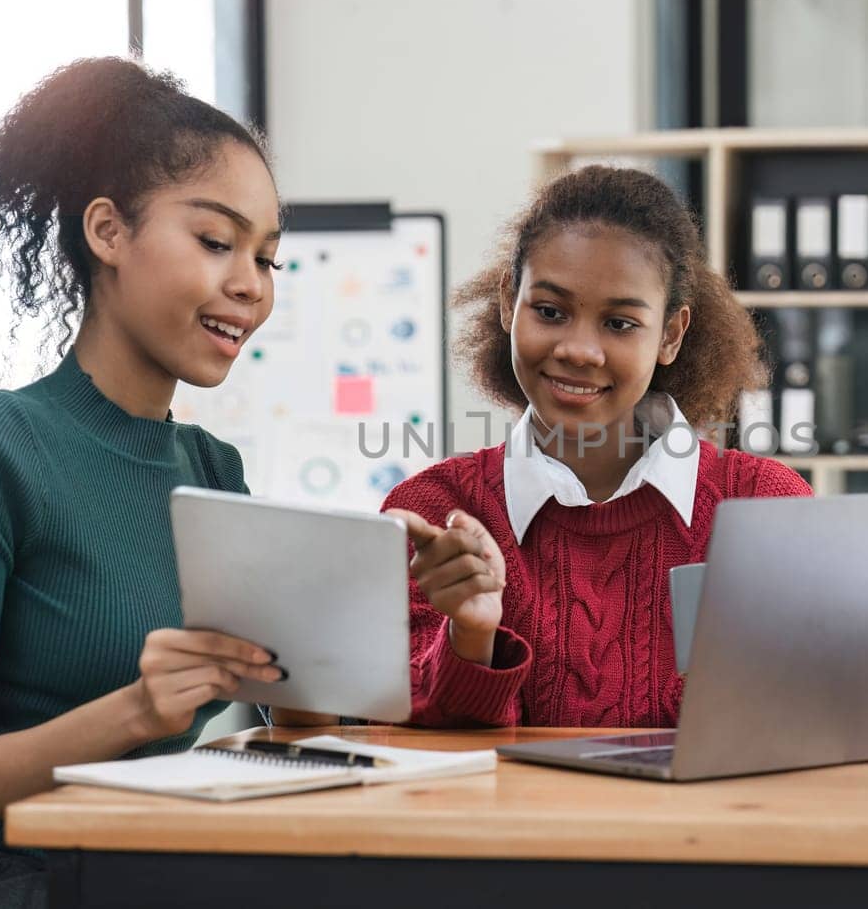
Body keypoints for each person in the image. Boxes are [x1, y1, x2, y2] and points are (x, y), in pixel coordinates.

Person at [0, 57, 283, 909]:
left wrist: (388, 604)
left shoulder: (215, 472)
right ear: (108, 232)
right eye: (217, 243)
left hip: (109, 862)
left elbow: (277, 715)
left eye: (268, 259)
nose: (249, 286)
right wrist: (136, 713)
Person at [323, 164, 810, 729]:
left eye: (620, 324)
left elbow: (807, 722)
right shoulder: (434, 512)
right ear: (510, 303)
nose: (580, 350)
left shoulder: (763, 506)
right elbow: (402, 740)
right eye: (550, 312)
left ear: (670, 335)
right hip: (509, 822)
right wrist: (473, 634)